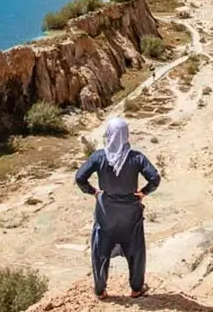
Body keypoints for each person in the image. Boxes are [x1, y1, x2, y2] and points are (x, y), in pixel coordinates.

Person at [75, 118, 161, 299]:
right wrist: (144, 192)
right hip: (131, 210)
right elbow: (154, 179)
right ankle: (136, 289)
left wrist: (93, 192)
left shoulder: (99, 157)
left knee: (100, 249)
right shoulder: (137, 158)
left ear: (109, 134)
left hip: (106, 211)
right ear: (126, 134)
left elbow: (80, 177)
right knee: (136, 248)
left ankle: (101, 290)